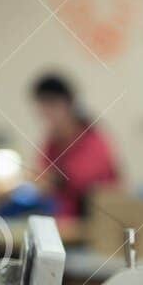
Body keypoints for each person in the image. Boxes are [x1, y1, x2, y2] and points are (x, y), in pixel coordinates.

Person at [30, 73, 120, 222]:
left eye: (53, 105)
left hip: (97, 220)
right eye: (43, 106)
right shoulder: (52, 142)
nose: (48, 113)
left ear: (69, 105)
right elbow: (42, 175)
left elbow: (78, 179)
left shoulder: (92, 139)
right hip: (64, 220)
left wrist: (46, 180)